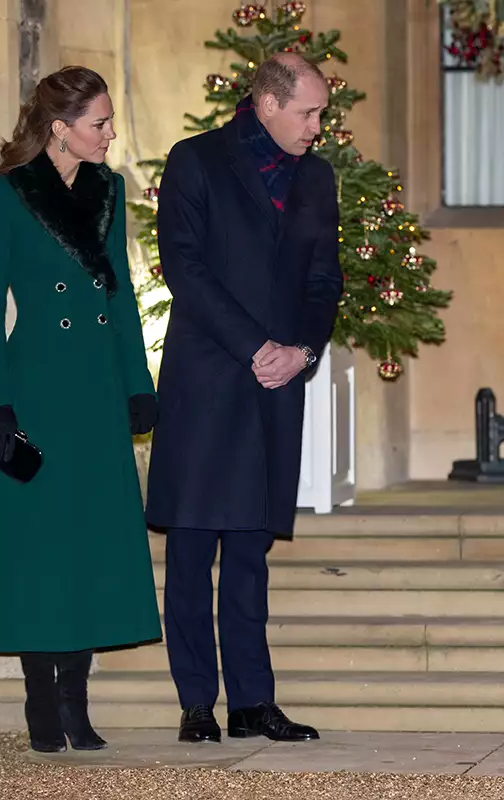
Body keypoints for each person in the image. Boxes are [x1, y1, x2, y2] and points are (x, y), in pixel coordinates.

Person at [145, 52, 343, 744]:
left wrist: (303, 352)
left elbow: (325, 283)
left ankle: (254, 701)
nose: (318, 127)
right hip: (208, 380)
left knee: (251, 555)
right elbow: (184, 265)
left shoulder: (316, 178)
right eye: (308, 112)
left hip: (276, 385)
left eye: (320, 113)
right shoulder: (196, 160)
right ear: (266, 102)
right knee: (194, 551)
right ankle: (198, 703)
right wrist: (254, 345)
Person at [0, 66, 162, 754]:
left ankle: (77, 703)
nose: (110, 134)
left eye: (108, 122)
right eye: (99, 124)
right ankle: (39, 700)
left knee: (89, 542)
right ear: (60, 128)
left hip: (98, 390)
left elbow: (122, 297)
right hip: (38, 386)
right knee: (36, 545)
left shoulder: (110, 191)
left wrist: (139, 383)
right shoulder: (3, 196)